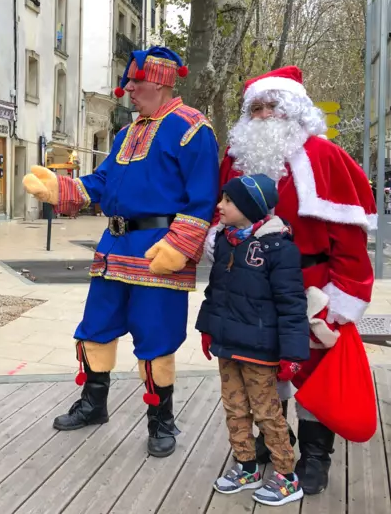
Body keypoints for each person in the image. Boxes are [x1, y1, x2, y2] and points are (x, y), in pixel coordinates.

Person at [22, 46, 220, 457]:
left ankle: (161, 420)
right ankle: (94, 404)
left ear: (161, 82)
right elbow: (102, 182)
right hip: (113, 250)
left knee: (156, 339)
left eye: (135, 80)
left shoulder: (192, 128)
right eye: (128, 81)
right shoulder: (127, 132)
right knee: (95, 328)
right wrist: (60, 189)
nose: (126, 88)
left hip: (158, 253)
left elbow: (203, 199)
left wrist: (180, 245)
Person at [209, 65, 376, 494]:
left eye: (273, 108)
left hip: (313, 288)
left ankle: (316, 456)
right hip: (251, 286)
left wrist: (343, 298)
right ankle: (271, 441)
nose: (264, 117)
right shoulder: (235, 157)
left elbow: (350, 238)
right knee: (260, 366)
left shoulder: (326, 157)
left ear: (297, 112)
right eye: (256, 109)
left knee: (314, 370)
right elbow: (219, 215)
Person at [197, 174, 309, 506]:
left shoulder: (279, 248)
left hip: (260, 349)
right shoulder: (223, 241)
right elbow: (216, 291)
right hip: (227, 342)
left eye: (228, 201)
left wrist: (292, 353)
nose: (220, 206)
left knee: (266, 411)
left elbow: (292, 304)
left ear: (248, 207)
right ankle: (246, 465)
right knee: (234, 407)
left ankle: (287, 476)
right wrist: (208, 328)